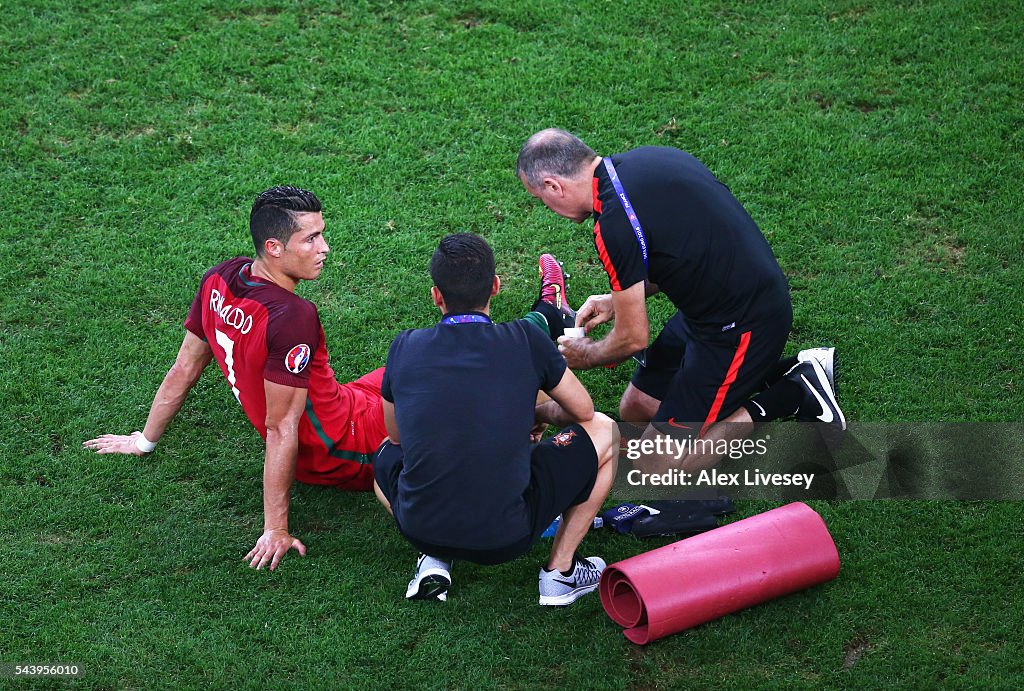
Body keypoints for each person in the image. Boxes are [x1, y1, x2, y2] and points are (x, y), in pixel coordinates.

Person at [84, 186, 388, 571]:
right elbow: (281, 427)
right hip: (342, 445)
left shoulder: (221, 278)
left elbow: (185, 367)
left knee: (417, 361)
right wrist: (275, 528)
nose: (325, 247)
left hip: (346, 400)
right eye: (311, 239)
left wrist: (143, 441)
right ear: (275, 247)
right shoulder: (292, 316)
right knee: (451, 392)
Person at [516, 129, 844, 473]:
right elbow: (681, 253)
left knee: (656, 464)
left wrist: (587, 354)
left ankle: (795, 389)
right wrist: (617, 300)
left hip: (744, 326)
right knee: (636, 410)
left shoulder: (613, 223)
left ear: (554, 185)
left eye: (541, 198)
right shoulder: (649, 160)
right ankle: (760, 376)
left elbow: (632, 338)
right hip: (707, 310)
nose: (547, 207)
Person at [373, 234, 618, 605]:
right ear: (496, 287)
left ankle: (434, 558)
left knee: (383, 456)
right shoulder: (524, 340)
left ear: (436, 295)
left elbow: (396, 437)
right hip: (505, 537)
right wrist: (535, 413)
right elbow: (583, 412)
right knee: (606, 429)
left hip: (420, 529)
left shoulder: (404, 345)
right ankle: (561, 574)